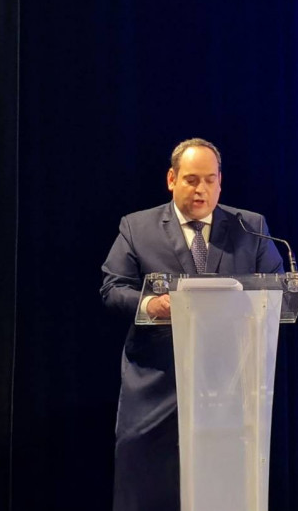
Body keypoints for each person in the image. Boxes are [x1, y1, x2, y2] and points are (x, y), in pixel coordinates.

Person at [100, 138, 284, 511]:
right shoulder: (138, 227)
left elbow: (277, 288)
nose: (202, 190)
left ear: (220, 182)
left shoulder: (250, 227)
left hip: (228, 383)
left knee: (223, 486)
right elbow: (113, 288)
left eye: (210, 180)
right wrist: (151, 304)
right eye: (192, 180)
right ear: (172, 179)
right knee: (147, 483)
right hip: (157, 379)